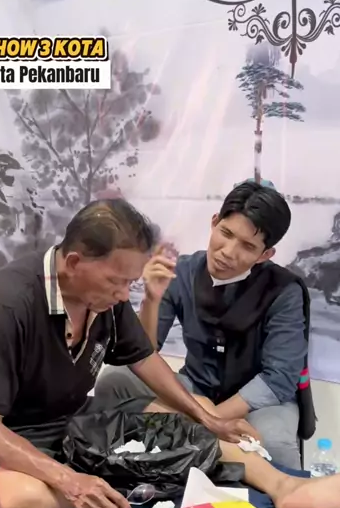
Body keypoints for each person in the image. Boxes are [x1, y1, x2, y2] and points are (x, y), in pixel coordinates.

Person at [0, 198, 340, 508]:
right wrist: (69, 480)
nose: (122, 294)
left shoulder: (105, 296)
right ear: (74, 263)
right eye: (117, 282)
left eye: (130, 282)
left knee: (194, 417)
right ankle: (109, 471)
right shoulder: (10, 303)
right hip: (8, 433)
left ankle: (285, 486)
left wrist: (209, 419)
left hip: (73, 420)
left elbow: (145, 357)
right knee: (28, 503)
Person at [95, 181, 312, 470]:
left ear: (265, 255)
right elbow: (142, 352)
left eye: (247, 246)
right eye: (226, 233)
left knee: (271, 443)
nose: (228, 252)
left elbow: (279, 378)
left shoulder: (284, 291)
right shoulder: (182, 271)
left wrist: (209, 420)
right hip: (196, 387)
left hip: (258, 402)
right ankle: (121, 469)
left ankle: (287, 494)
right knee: (114, 380)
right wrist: (151, 299)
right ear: (214, 222)